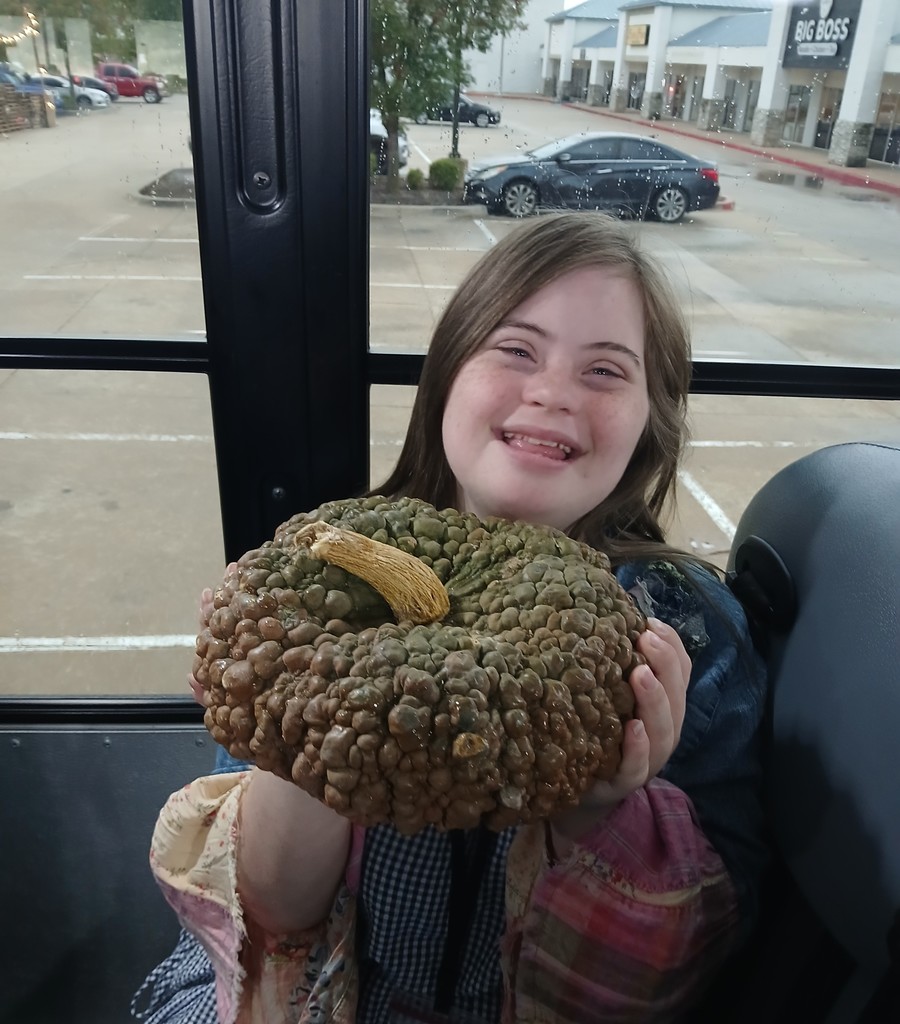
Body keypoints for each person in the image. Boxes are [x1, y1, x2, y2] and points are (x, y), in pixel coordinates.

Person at [133, 212, 768, 1024]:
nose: (551, 392)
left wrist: (598, 806)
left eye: (606, 370)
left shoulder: (691, 637)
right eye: (516, 350)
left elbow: (683, 972)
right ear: (447, 374)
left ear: (652, 421)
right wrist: (295, 731)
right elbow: (279, 920)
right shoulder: (313, 585)